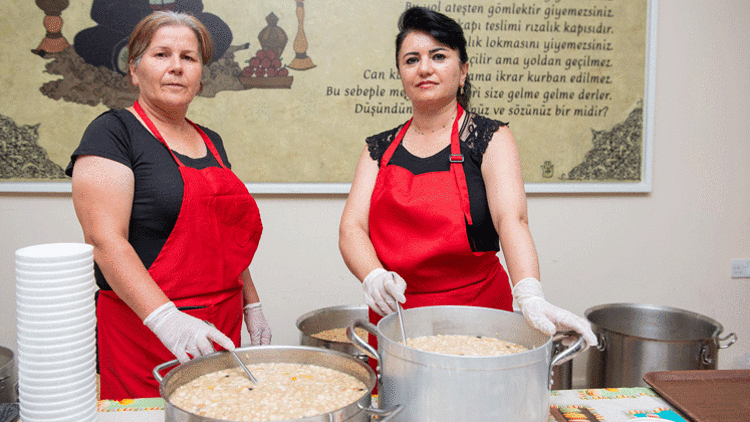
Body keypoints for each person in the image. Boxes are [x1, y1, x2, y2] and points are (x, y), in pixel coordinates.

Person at [338, 7, 597, 355]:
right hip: (398, 319)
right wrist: (373, 276)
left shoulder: (490, 138)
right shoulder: (378, 150)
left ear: (463, 72)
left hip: (479, 314)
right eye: (411, 59)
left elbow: (512, 220)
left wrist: (529, 292)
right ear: (401, 74)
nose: (424, 68)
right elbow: (352, 227)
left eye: (439, 56)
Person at [66, 11, 270, 400]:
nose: (176, 67)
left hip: (218, 329)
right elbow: (105, 242)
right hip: (144, 333)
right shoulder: (112, 133)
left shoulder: (211, 141)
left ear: (200, 73)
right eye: (161, 55)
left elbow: (226, 239)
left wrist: (252, 303)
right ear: (134, 69)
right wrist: (167, 321)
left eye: (189, 58)